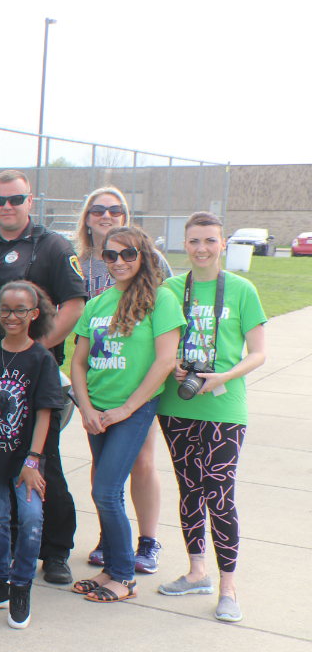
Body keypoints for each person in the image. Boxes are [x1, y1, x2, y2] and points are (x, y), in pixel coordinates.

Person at [0, 170, 86, 584]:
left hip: (33, 377)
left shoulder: (52, 247)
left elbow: (75, 304)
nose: (7, 207)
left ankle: (55, 549)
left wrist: (37, 351)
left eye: (15, 199)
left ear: (30, 201)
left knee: (45, 464)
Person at [156, 212, 266, 623]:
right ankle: (197, 571)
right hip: (178, 405)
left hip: (224, 407)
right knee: (189, 490)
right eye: (194, 241)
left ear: (223, 244)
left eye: (209, 241)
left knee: (219, 496)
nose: (201, 248)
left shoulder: (241, 289)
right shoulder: (169, 288)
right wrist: (174, 368)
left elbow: (258, 352)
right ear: (184, 246)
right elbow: (159, 346)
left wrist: (222, 375)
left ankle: (229, 588)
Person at [70, 227, 183, 603]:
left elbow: (166, 360)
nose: (118, 262)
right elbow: (79, 363)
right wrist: (85, 407)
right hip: (97, 412)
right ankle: (111, 569)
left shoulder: (160, 300)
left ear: (143, 255)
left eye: (127, 254)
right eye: (110, 255)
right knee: (105, 491)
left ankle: (124, 577)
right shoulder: (96, 304)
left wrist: (127, 408)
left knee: (105, 490)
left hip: (132, 409)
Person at [0, 281, 66, 629]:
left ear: (34, 314)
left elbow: (46, 413)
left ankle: (21, 586)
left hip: (27, 462)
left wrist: (33, 460)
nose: (12, 316)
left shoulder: (41, 359)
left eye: (21, 310)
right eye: (5, 309)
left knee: (32, 518)